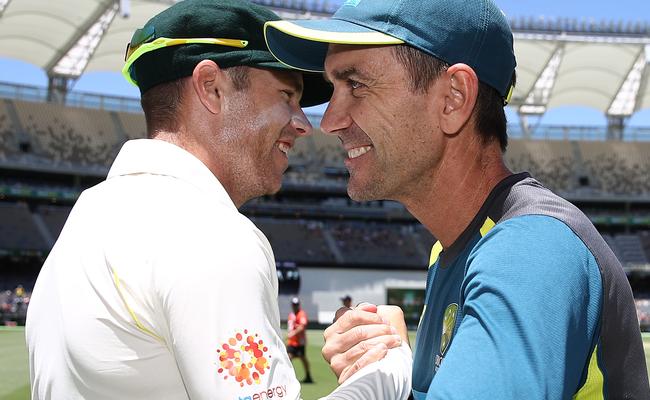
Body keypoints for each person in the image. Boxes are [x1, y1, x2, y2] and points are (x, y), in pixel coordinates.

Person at [264, 0, 650, 398]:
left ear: (453, 97)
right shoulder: (454, 250)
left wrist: (383, 381)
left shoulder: (528, 250)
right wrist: (396, 364)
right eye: (334, 89)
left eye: (356, 85)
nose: (328, 121)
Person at [25, 1, 411, 399]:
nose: (303, 124)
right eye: (286, 95)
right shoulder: (207, 233)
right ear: (211, 87)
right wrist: (391, 365)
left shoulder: (87, 216)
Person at [286, 297, 313, 383]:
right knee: (288, 357)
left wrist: (293, 333)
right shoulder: (291, 315)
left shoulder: (301, 314)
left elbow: (302, 326)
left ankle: (308, 375)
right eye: (294, 305)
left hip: (299, 342)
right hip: (291, 342)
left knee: (302, 358)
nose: (295, 306)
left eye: (296, 305)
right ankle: (289, 377)